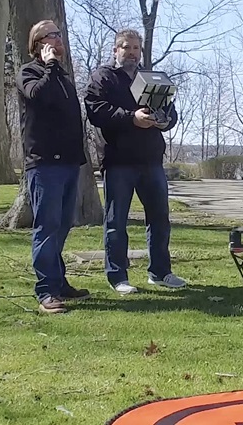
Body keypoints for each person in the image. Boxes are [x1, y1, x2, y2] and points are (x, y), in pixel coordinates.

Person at [84, 28, 187, 295]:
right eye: (126, 47)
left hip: (151, 159)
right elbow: (97, 111)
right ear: (115, 50)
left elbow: (170, 111)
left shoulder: (151, 78)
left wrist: (166, 120)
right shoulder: (103, 77)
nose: (131, 53)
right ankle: (118, 277)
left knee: (160, 219)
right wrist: (132, 117)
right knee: (117, 221)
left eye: (136, 49)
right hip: (119, 161)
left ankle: (160, 272)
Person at [16, 19, 90, 314]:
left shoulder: (62, 76)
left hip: (69, 162)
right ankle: (46, 290)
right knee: (46, 227)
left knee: (61, 226)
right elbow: (38, 96)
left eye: (60, 35)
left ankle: (59, 282)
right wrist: (49, 66)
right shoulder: (29, 72)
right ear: (39, 43)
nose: (60, 40)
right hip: (44, 163)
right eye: (53, 36)